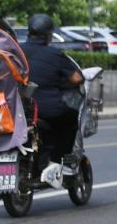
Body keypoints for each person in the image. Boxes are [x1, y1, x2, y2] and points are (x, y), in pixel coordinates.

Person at [20, 14, 83, 176]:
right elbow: (76, 78)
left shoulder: (16, 52)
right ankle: (56, 162)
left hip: (17, 109)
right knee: (71, 118)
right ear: (48, 35)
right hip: (46, 109)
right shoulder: (54, 54)